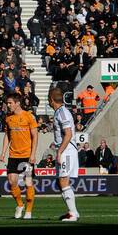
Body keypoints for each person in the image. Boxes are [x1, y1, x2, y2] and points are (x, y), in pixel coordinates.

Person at [0, 91, 38, 221]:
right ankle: (20, 205)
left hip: (27, 155)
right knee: (11, 181)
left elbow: (35, 136)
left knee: (28, 183)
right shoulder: (8, 118)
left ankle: (28, 211)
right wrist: (3, 152)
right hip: (13, 155)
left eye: (10, 103)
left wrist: (33, 154)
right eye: (7, 103)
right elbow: (7, 136)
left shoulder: (28, 116)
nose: (8, 105)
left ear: (17, 103)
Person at [48, 85, 79, 222]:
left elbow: (68, 134)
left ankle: (73, 213)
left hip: (66, 150)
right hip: (65, 149)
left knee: (63, 181)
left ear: (51, 99)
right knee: (60, 182)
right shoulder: (60, 112)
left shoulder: (62, 113)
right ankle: (72, 211)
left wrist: (59, 151)